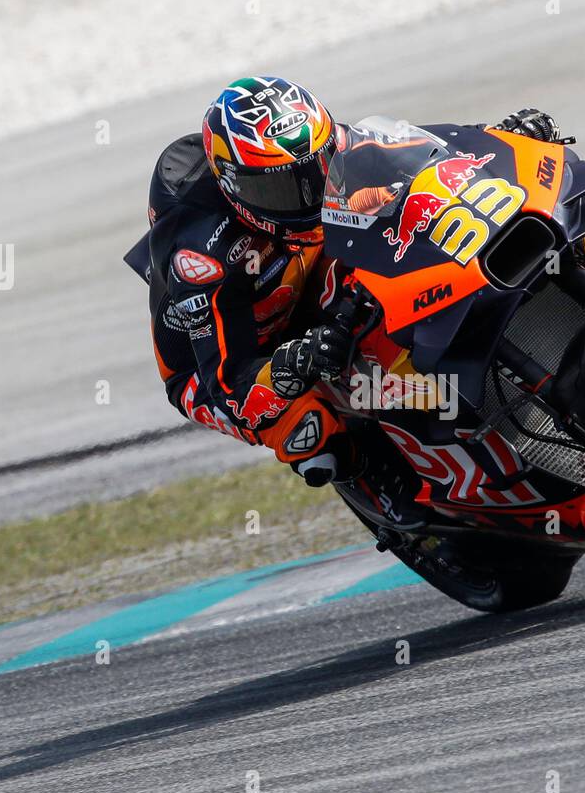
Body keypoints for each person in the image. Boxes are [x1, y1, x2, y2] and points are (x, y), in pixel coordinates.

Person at [129, 74, 558, 528]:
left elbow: (407, 152)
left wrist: (493, 143)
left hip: (309, 272)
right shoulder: (202, 257)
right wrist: (291, 365)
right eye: (280, 189)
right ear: (234, 187)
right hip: (226, 363)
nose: (309, 197)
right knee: (313, 438)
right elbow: (229, 383)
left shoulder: (327, 152)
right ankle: (394, 502)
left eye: (315, 171)